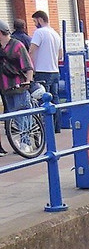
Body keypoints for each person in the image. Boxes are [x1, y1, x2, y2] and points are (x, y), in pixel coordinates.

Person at [0, 19, 36, 155]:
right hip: (5, 87)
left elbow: (28, 65)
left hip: (19, 85)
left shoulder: (17, 45)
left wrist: (28, 81)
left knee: (22, 115)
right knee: (14, 116)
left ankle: (26, 142)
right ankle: (22, 141)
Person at [29, 11, 62, 130]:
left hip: (42, 70)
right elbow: (60, 55)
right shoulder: (56, 34)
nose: (34, 24)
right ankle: (57, 126)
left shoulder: (39, 32)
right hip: (55, 70)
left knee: (43, 99)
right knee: (55, 98)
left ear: (40, 20)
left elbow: (32, 50)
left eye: (34, 21)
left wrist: (30, 67)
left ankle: (46, 127)